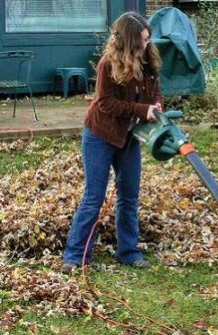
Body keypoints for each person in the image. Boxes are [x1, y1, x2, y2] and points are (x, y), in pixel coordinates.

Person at [61, 12, 163, 274]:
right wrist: (142, 110)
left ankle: (128, 252)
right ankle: (75, 256)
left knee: (129, 196)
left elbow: (156, 92)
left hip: (128, 138)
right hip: (100, 135)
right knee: (94, 197)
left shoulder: (149, 62)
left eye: (148, 39)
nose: (146, 45)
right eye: (142, 40)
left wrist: (157, 105)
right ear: (128, 41)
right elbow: (106, 103)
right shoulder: (108, 64)